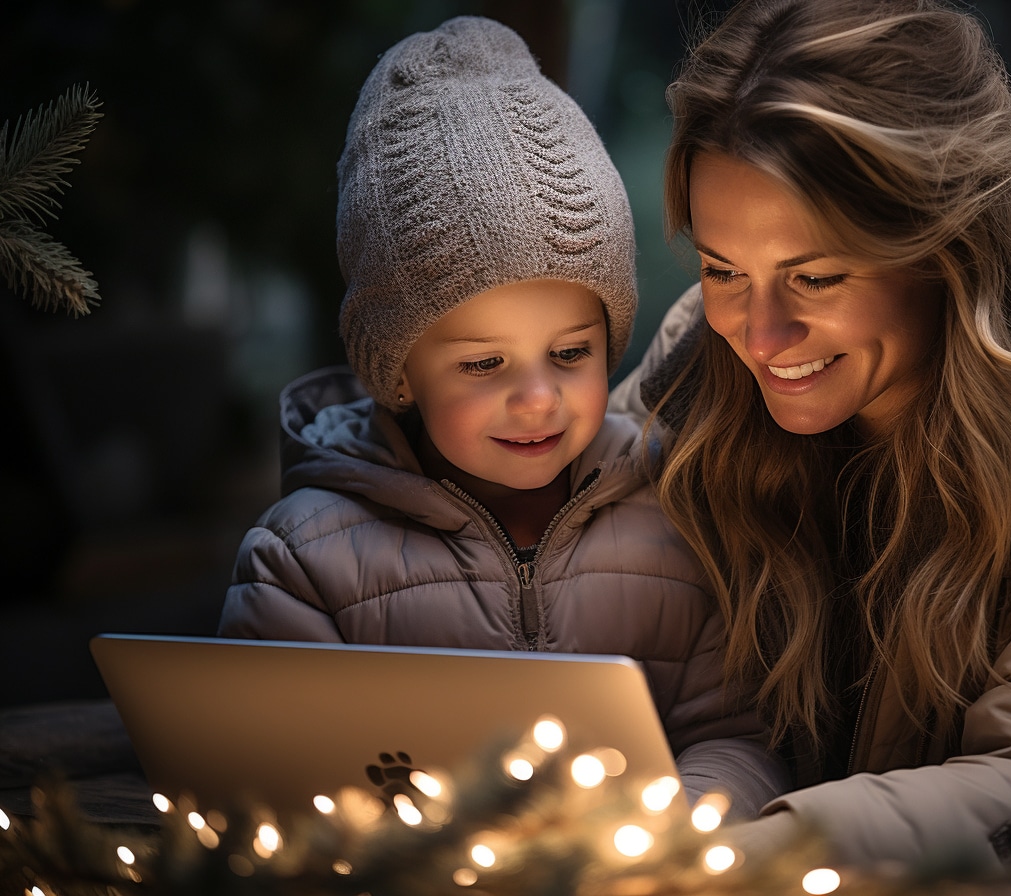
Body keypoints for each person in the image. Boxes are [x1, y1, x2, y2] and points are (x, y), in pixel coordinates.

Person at [610, 0, 1011, 872]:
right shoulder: (698, 364)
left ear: (949, 244)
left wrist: (721, 862)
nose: (758, 335)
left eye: (817, 276)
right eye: (723, 268)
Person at [219, 16, 787, 817]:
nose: (538, 399)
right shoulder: (306, 560)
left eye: (571, 354)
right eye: (484, 364)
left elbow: (735, 734)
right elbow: (256, 775)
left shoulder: (672, 516)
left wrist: (683, 832)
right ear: (399, 370)